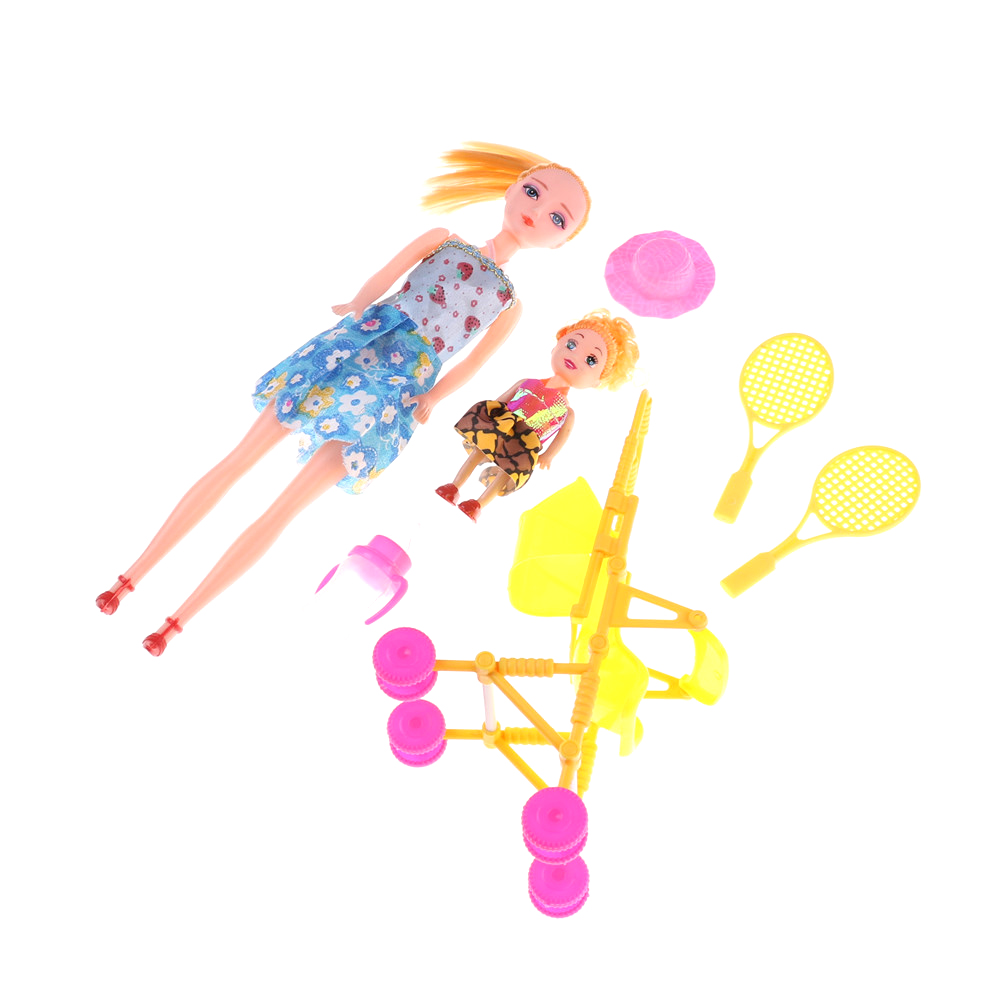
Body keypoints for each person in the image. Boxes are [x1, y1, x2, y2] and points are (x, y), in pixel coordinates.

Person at [94, 143, 591, 655]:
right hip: (356, 345)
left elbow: (472, 364)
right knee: (238, 461)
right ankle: (130, 578)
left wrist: (434, 397)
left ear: (560, 243)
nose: (536, 212)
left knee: (284, 508)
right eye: (533, 192)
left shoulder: (509, 305)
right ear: (510, 190)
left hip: (400, 388)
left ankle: (176, 621)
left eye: (557, 219)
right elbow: (386, 275)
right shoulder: (444, 238)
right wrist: (358, 303)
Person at [435, 309, 638, 521]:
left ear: (596, 382)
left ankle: (478, 504)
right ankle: (454, 486)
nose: (575, 356)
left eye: (591, 360)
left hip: (525, 443)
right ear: (556, 346)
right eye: (571, 344)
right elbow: (501, 400)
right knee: (478, 452)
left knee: (507, 471)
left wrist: (548, 455)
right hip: (501, 424)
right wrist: (489, 414)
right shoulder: (527, 382)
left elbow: (562, 437)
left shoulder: (567, 412)